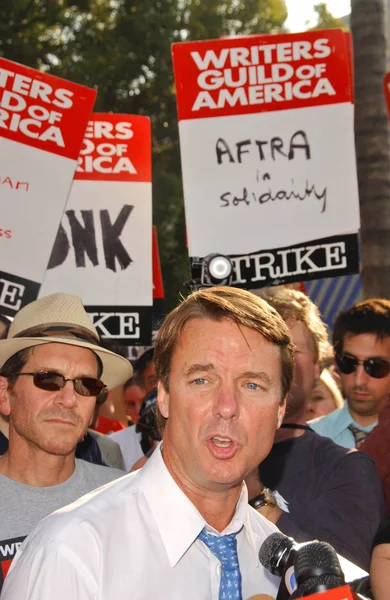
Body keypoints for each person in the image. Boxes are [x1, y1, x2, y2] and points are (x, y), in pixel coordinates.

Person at [2, 286, 295, 600]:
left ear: (280, 410)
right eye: (202, 380)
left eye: (252, 384)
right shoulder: (72, 552)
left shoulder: (283, 567)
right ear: (164, 397)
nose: (227, 406)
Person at [248, 288, 386, 571]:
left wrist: (254, 494)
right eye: (260, 349)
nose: (275, 363)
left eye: (289, 350)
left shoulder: (347, 467)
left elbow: (338, 577)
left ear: (317, 368)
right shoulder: (207, 457)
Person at [0, 293, 131, 589]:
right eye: (48, 379)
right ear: (5, 394)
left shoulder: (126, 496)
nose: (70, 399)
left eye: (87, 385)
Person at [310, 299, 390, 448]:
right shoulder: (309, 440)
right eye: (349, 363)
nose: (359, 380)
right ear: (336, 363)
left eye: (375, 367)